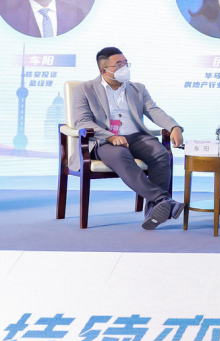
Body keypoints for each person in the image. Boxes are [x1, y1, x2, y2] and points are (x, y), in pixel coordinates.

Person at [71, 47, 186, 230]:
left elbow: (153, 110)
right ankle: (164, 200)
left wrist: (174, 127)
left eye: (126, 63)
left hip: (137, 136)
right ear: (103, 70)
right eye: (118, 65)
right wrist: (110, 137)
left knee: (161, 154)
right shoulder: (85, 89)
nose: (124, 68)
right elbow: (82, 121)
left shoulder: (137, 88)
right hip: (105, 140)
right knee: (120, 155)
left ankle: (153, 211)